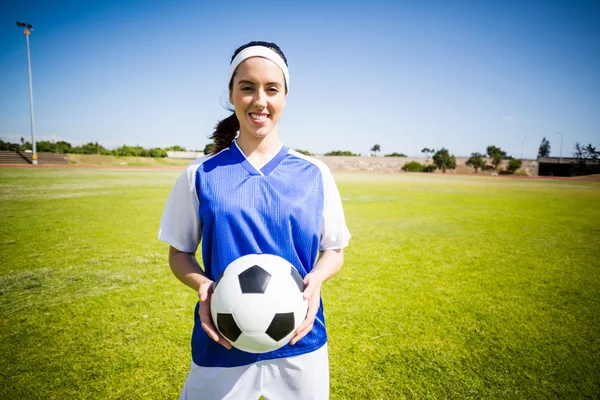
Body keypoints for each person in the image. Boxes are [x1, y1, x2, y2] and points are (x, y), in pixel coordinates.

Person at [158, 41, 351, 400]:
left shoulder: (315, 174)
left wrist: (318, 279)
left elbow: (334, 250)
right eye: (247, 87)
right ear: (232, 94)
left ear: (285, 97)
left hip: (300, 342)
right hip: (222, 339)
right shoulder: (199, 174)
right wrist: (203, 285)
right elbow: (179, 253)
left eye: (271, 89)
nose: (260, 100)